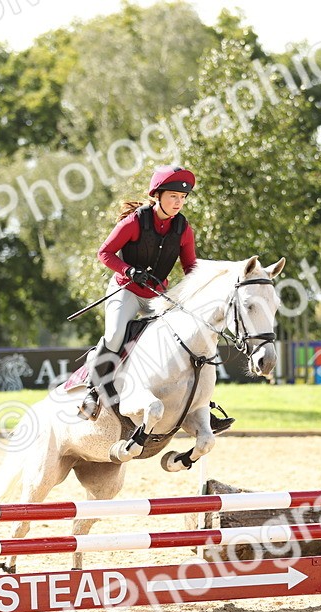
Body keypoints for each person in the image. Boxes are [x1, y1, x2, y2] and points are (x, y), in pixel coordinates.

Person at [79, 165, 233, 433]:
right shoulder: (134, 222)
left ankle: (200, 404)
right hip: (125, 290)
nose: (178, 202)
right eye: (173, 196)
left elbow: (191, 269)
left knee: (185, 339)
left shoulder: (183, 229)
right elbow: (104, 253)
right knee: (116, 335)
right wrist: (128, 270)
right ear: (157, 196)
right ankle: (92, 392)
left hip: (157, 295)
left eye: (183, 198)